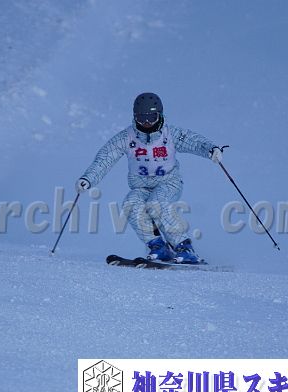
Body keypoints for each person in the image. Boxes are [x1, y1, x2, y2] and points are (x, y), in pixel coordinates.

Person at [76, 92, 223, 264]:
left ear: (159, 115)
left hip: (169, 183)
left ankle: (184, 247)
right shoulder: (127, 137)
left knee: (157, 203)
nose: (146, 123)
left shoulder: (170, 134)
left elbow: (193, 141)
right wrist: (88, 179)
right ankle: (158, 246)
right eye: (141, 118)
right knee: (131, 203)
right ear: (135, 117)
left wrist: (211, 150)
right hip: (141, 187)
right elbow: (105, 159)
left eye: (151, 118)